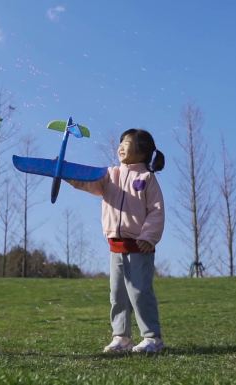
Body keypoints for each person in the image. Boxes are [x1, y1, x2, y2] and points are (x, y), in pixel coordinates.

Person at [67, 128, 166, 353]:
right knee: (117, 294)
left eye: (127, 143)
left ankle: (152, 338)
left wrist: (148, 237)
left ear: (141, 150)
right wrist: (68, 175)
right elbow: (88, 182)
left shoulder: (147, 178)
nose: (121, 146)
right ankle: (121, 337)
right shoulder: (111, 175)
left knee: (140, 292)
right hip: (116, 247)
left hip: (140, 247)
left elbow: (156, 211)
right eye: (120, 142)